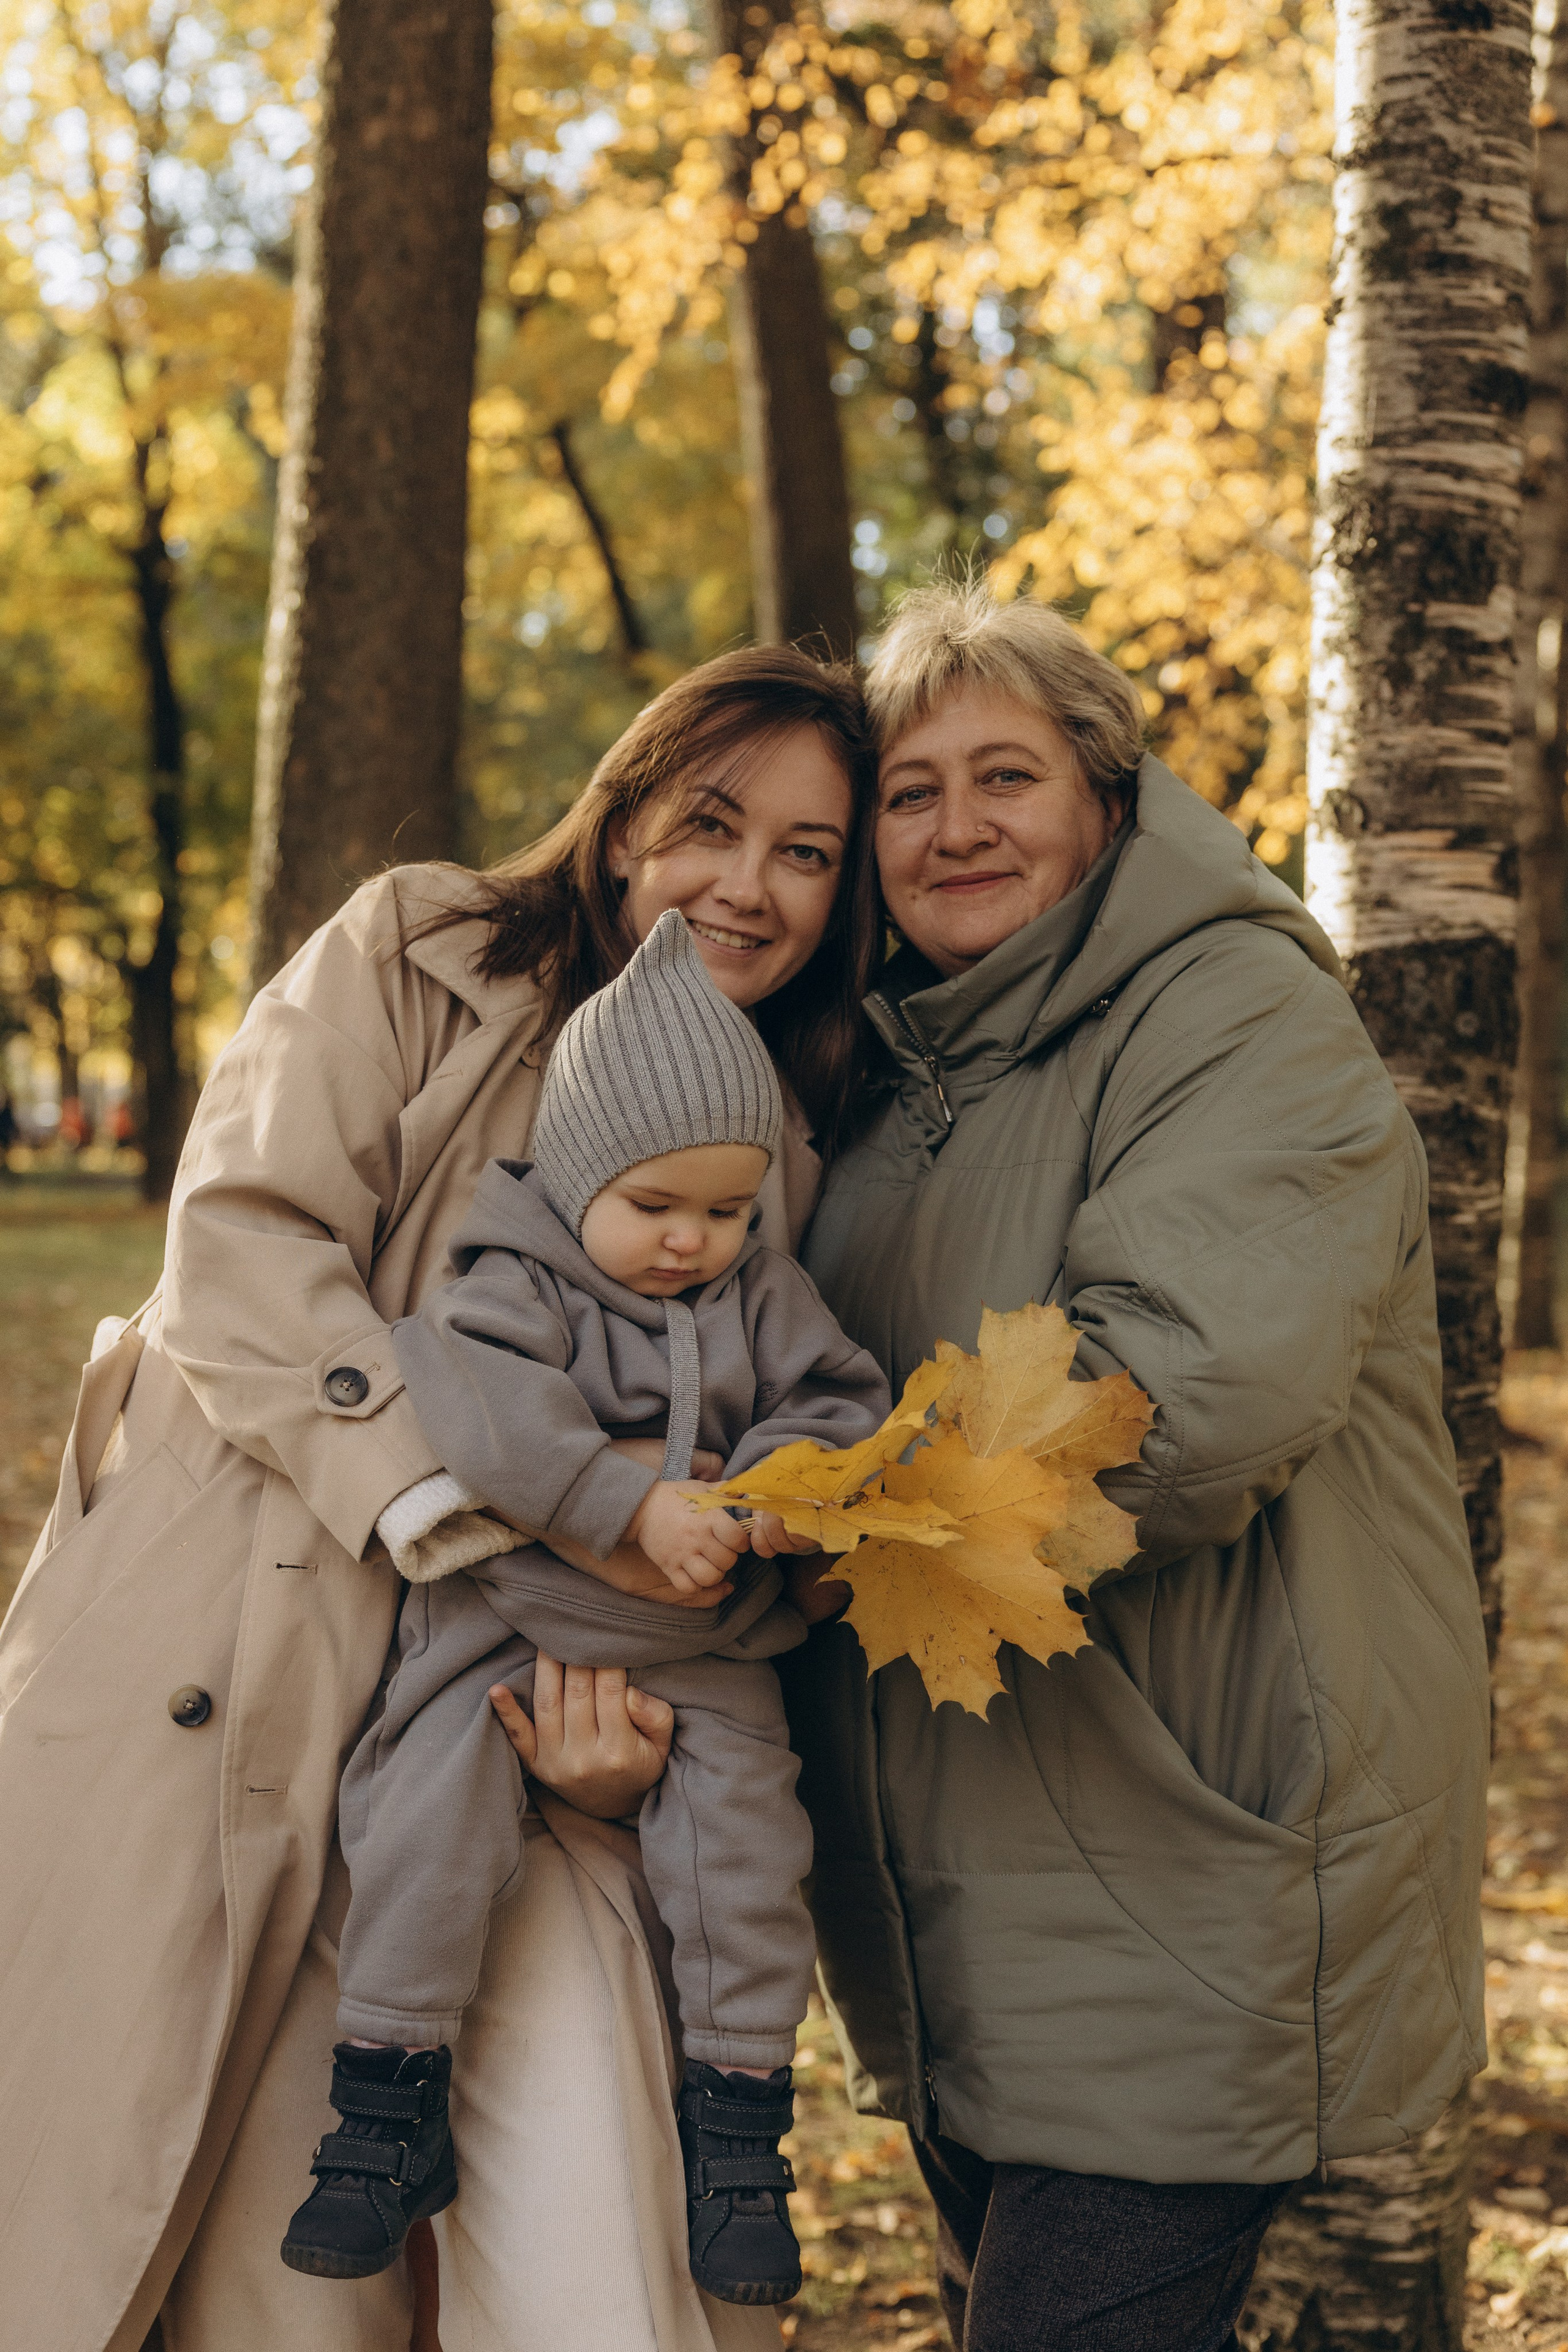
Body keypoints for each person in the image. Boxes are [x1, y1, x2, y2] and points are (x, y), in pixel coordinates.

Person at [0, 644, 878, 2352]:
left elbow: (759, 1451)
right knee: (126, 2194)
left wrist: (627, 1732)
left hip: (508, 1742)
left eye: (807, 852)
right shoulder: (427, 952)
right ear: (624, 816)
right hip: (235, 1654)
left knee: (454, 2251)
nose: (747, 885)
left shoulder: (777, 1125)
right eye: (713, 820)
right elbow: (243, 1237)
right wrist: (497, 1510)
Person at [784, 581, 1490, 2351]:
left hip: (1182, 1844)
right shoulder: (900, 1064)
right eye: (911, 791)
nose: (956, 828)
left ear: (1108, 797)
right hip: (973, 1858)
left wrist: (805, 1524)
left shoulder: (1233, 1018)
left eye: (1005, 776)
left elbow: (1176, 1407)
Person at [282, 910, 889, 2301]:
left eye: (725, 1210)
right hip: (513, 1623)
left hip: (712, 1642)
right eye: (655, 1206)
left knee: (747, 1856)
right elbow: (483, 1420)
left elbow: (845, 1405)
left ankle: (737, 2125)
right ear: (575, 1180)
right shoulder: (511, 1283)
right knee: (423, 1811)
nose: (691, 1242)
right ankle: (385, 2104)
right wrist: (630, 1508)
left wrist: (785, 1490)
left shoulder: (762, 1294)